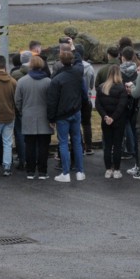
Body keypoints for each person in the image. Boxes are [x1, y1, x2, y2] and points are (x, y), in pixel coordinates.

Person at [45, 49, 86, 183]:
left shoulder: (57, 79)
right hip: (76, 111)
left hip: (62, 115)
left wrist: (51, 118)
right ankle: (80, 171)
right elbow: (84, 93)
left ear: (61, 61)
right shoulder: (78, 74)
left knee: (63, 143)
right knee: (77, 141)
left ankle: (66, 172)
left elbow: (52, 101)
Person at [15, 56, 53, 179]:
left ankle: (30, 171)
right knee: (44, 146)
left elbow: (17, 100)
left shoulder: (22, 81)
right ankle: (42, 171)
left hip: (28, 116)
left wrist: (23, 111)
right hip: (44, 117)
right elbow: (51, 101)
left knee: (29, 145)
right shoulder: (48, 82)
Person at [96, 64, 129, 179]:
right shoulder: (122, 88)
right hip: (118, 120)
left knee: (107, 145)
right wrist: (113, 118)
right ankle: (117, 170)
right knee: (118, 145)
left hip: (106, 120)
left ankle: (108, 169)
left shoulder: (101, 87)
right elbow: (121, 106)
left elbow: (98, 105)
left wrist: (105, 116)